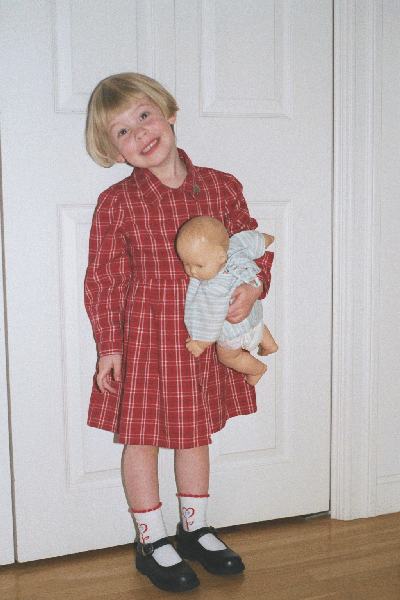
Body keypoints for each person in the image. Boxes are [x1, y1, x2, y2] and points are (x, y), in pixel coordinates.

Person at [84, 72, 274, 593]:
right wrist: (109, 346)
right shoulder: (117, 203)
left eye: (144, 116)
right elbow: (103, 279)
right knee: (142, 438)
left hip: (205, 338)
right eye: (122, 131)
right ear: (114, 151)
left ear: (168, 112)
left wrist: (252, 288)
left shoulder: (220, 186)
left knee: (195, 432)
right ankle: (151, 539)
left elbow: (252, 247)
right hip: (147, 339)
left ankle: (196, 529)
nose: (140, 133)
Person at [176, 216, 278, 386]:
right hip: (254, 314)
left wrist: (201, 343)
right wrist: (268, 239)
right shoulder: (235, 248)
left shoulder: (213, 288)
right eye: (186, 264)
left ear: (220, 256)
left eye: (199, 265)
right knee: (256, 323)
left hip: (233, 330)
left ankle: (257, 369)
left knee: (228, 357)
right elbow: (253, 241)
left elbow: (212, 319)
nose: (192, 271)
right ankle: (269, 343)